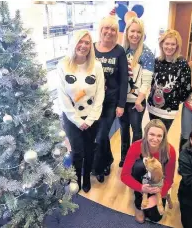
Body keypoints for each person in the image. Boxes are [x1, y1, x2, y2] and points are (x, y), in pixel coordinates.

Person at [57, 30, 105, 193]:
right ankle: (76, 178)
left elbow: (100, 94)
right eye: (80, 41)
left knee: (90, 149)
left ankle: (86, 179)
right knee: (77, 151)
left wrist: (90, 120)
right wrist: (77, 120)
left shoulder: (96, 66)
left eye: (87, 42)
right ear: (74, 43)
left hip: (92, 116)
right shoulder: (62, 65)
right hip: (72, 118)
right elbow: (62, 96)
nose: (83, 45)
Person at [93, 15, 128, 182]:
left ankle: (98, 168)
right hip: (92, 102)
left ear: (116, 32)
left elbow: (123, 80)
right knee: (100, 135)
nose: (109, 32)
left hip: (110, 102)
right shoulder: (92, 49)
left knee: (101, 135)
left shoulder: (119, 51)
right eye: (106, 28)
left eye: (113, 29)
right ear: (100, 29)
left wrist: (121, 104)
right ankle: (108, 160)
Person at [121, 119, 176, 223]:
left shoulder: (170, 151)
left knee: (155, 217)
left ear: (164, 136)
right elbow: (124, 175)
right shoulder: (136, 146)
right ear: (146, 134)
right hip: (141, 181)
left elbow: (169, 179)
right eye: (152, 134)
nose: (155, 139)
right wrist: (141, 188)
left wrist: (158, 194)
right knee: (139, 166)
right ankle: (138, 201)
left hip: (158, 184)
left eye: (159, 136)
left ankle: (148, 200)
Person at [118, 17, 155, 168]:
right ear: (127, 32)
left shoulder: (146, 53)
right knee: (123, 129)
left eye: (138, 32)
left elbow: (146, 81)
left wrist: (139, 100)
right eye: (132, 31)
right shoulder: (121, 51)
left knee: (136, 130)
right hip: (122, 101)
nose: (135, 35)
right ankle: (124, 156)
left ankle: (135, 159)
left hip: (136, 101)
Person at [147, 29, 192, 131]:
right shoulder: (157, 61)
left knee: (161, 137)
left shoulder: (182, 63)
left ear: (177, 46)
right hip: (152, 107)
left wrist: (175, 101)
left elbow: (187, 88)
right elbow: (152, 82)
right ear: (162, 44)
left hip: (168, 110)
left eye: (173, 44)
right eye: (167, 43)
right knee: (152, 135)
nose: (169, 47)